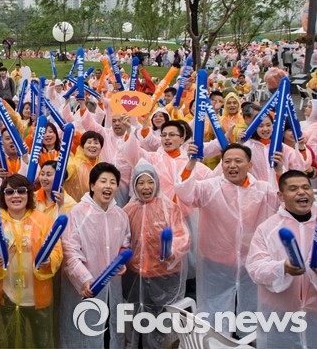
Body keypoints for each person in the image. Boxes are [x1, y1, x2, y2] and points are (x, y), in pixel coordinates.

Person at [176, 143, 281, 334]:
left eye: (238, 161)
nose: (232, 165)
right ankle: (216, 342)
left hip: (251, 262)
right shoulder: (209, 187)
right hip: (216, 263)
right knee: (214, 308)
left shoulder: (263, 190)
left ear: (250, 165)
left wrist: (279, 171)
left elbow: (283, 201)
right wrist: (191, 163)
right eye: (227, 161)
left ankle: (248, 339)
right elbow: (185, 192)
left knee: (251, 307)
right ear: (222, 164)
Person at [0, 174, 63, 348]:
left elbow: (57, 251)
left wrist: (49, 261)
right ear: (3, 196)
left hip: (38, 297)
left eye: (21, 191)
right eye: (10, 192)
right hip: (7, 296)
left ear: (29, 194)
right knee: (10, 342)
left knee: (40, 342)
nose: (15, 195)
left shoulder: (43, 221)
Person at [60, 163, 130, 348]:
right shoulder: (77, 213)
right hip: (85, 288)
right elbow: (70, 251)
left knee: (110, 330)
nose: (108, 186)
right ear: (92, 185)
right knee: (85, 330)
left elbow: (125, 243)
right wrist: (84, 279)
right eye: (103, 181)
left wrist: (121, 260)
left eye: (113, 182)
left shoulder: (120, 215)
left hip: (112, 287)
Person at [123, 160, 190, 348]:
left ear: (157, 183)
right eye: (141, 182)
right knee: (139, 319)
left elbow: (183, 235)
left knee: (164, 322)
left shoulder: (169, 208)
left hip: (165, 276)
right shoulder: (128, 210)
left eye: (150, 182)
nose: (146, 187)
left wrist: (173, 251)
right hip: (136, 276)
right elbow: (122, 238)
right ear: (134, 186)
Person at [246, 170, 317, 348]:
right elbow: (255, 267)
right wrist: (282, 267)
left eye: (306, 187)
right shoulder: (267, 228)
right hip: (280, 314)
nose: (301, 192)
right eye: (293, 189)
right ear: (281, 196)